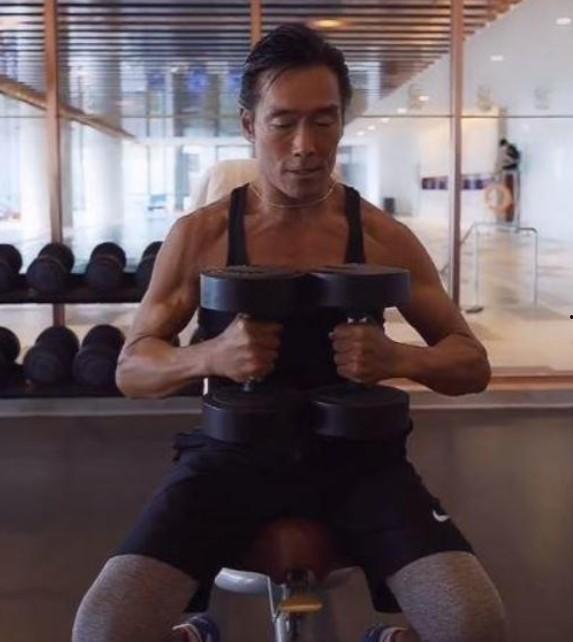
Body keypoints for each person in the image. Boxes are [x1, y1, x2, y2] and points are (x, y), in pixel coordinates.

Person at [72, 25, 508, 642]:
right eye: (283, 123)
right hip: (229, 463)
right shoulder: (201, 236)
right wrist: (211, 355)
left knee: (476, 624)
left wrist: (398, 358)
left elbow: (471, 364)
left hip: (363, 465)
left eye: (324, 121)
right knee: (103, 629)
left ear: (341, 123)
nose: (305, 145)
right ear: (249, 125)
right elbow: (132, 370)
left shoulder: (383, 237)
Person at [495, 138, 521, 223]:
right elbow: (516, 159)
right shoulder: (510, 148)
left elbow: (499, 164)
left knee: (506, 195)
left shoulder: (501, 150)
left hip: (506, 174)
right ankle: (511, 217)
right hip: (513, 172)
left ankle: (507, 217)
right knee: (512, 195)